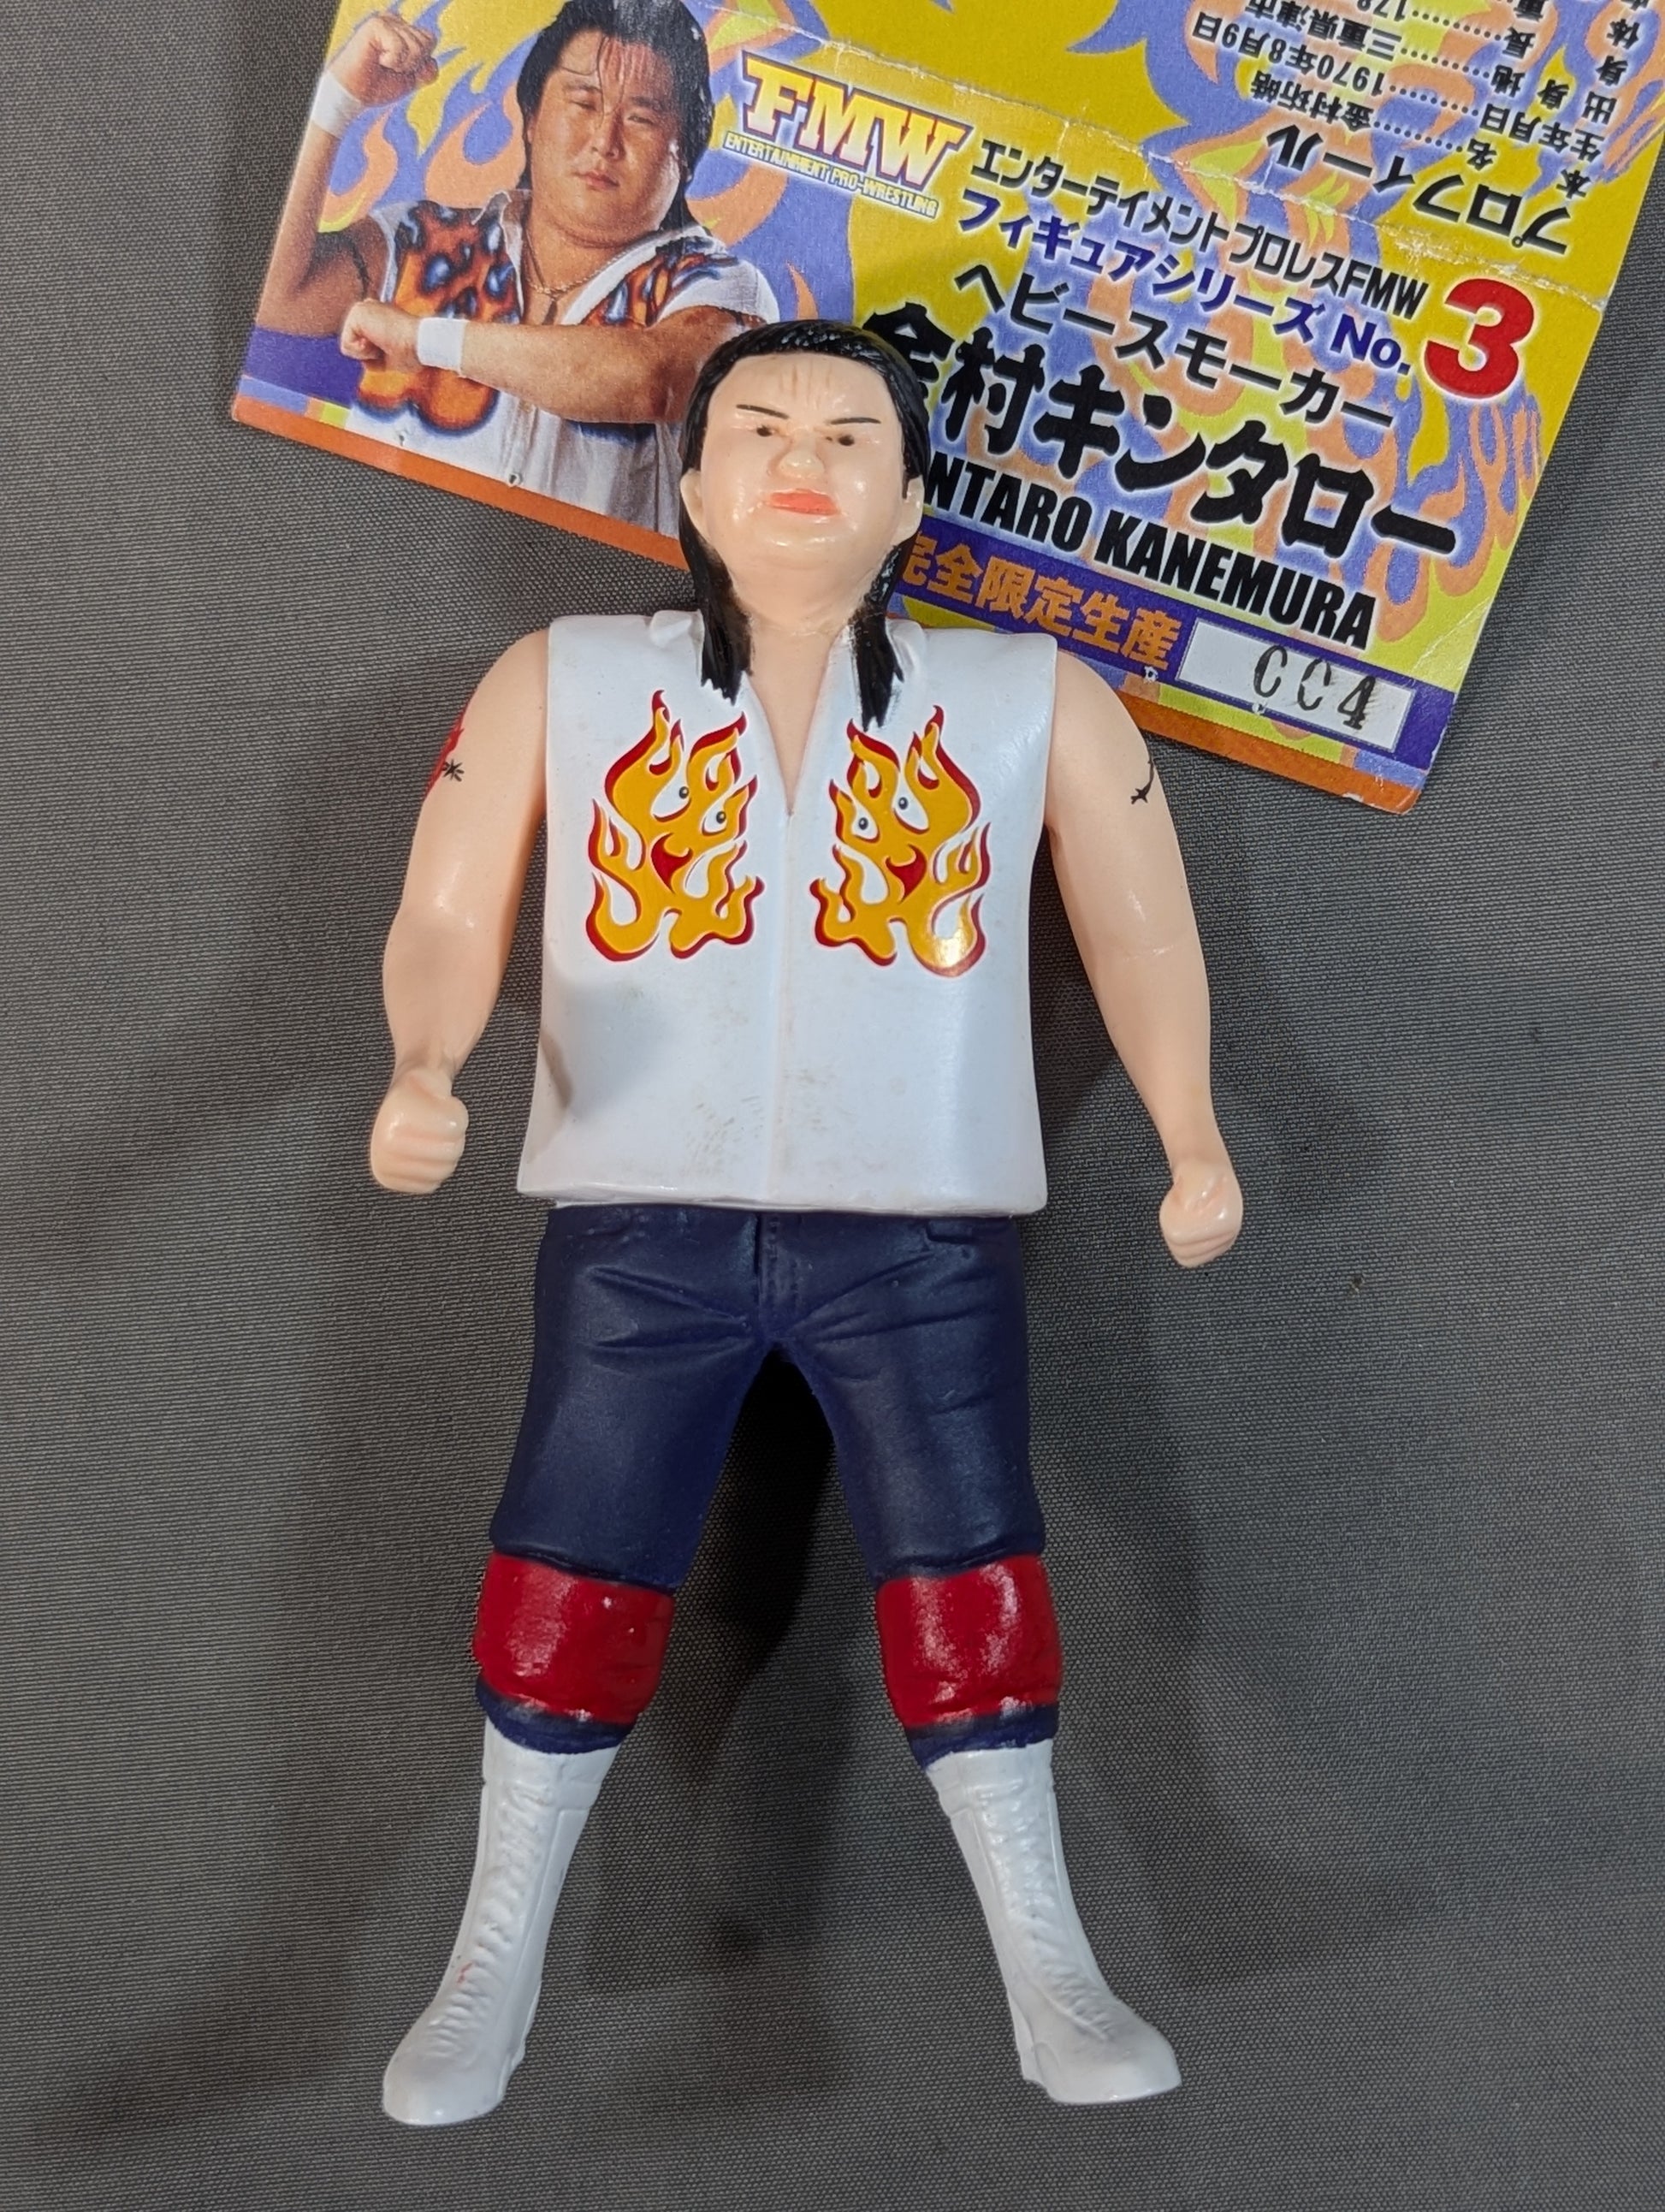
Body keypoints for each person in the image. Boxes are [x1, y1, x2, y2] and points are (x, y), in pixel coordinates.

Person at [367, 319, 1244, 2126]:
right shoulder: (566, 679)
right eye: (759, 427)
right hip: (638, 1212)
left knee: (968, 1557)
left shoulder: (1028, 699)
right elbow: (449, 903)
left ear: (914, 499)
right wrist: (423, 1060)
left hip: (917, 1223)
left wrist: (1192, 1130)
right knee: (570, 1553)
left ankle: (1049, 1960)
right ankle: (489, 1953)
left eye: (853, 437)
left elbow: (1143, 927)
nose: (803, 459)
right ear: (688, 485)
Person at [258, 1, 777, 532]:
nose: (605, 141)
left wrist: (422, 339)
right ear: (531, 118)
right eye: (583, 102)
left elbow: (655, 380)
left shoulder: (721, 286)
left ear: (684, 153)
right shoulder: (421, 238)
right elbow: (275, 295)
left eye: (641, 118)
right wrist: (335, 102)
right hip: (371, 548)